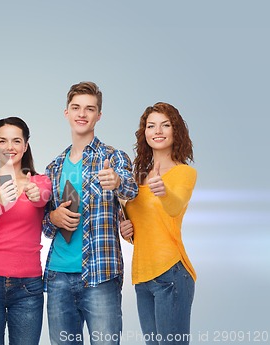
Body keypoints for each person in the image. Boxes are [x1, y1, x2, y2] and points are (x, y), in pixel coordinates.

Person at [42, 81, 138, 345]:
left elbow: (132, 190)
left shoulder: (113, 157)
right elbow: (45, 225)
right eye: (76, 108)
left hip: (100, 275)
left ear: (99, 115)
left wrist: (117, 181)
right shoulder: (54, 167)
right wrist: (53, 218)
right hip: (58, 275)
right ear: (67, 113)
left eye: (89, 109)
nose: (82, 114)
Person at [0, 116, 52, 345]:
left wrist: (35, 195)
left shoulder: (40, 182)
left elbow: (42, 197)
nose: (9, 147)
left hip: (28, 286)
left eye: (16, 141)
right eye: (3, 140)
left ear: (25, 146)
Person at [119, 102, 196, 345]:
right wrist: (125, 229)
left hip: (171, 274)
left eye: (165, 125)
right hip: (142, 278)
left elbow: (174, 207)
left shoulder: (184, 173)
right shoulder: (137, 177)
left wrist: (163, 192)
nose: (158, 131)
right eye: (151, 126)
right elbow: (141, 225)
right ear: (145, 133)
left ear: (176, 131)